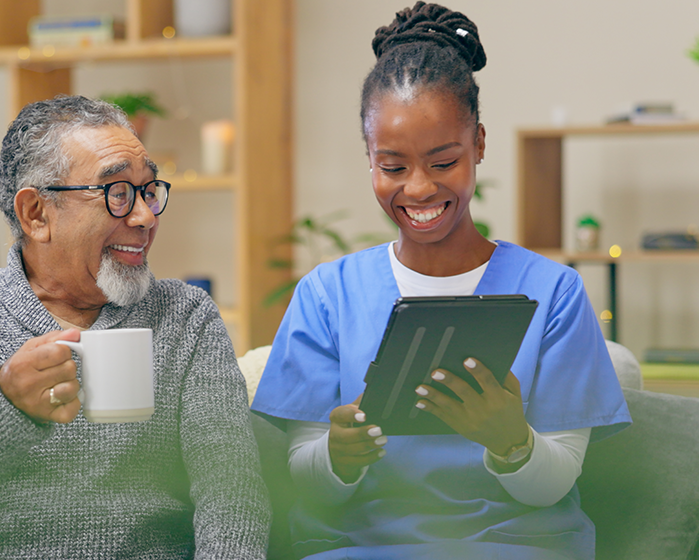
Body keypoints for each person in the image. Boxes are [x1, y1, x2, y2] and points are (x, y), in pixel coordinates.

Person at [251, 3, 631, 559]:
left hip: (515, 547)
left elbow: (554, 484)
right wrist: (338, 456)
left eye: (443, 161)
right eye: (393, 167)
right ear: (369, 158)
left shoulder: (553, 292)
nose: (419, 189)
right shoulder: (327, 294)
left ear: (479, 144)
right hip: (362, 548)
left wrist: (512, 442)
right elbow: (309, 482)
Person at [0, 95, 270, 559]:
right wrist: (4, 408)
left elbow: (232, 496)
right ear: (36, 214)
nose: (145, 217)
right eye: (118, 193)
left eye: (148, 190)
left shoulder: (185, 317)